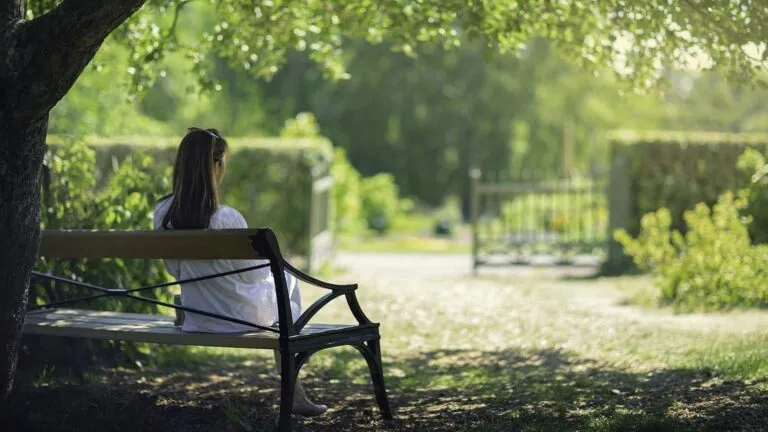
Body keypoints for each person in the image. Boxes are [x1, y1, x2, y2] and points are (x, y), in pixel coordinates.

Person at [153, 127, 327, 417]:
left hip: (199, 316)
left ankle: (186, 306)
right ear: (217, 165)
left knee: (280, 288)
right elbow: (254, 276)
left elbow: (174, 268)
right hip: (238, 318)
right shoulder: (225, 217)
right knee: (287, 281)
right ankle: (295, 392)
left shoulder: (162, 213)